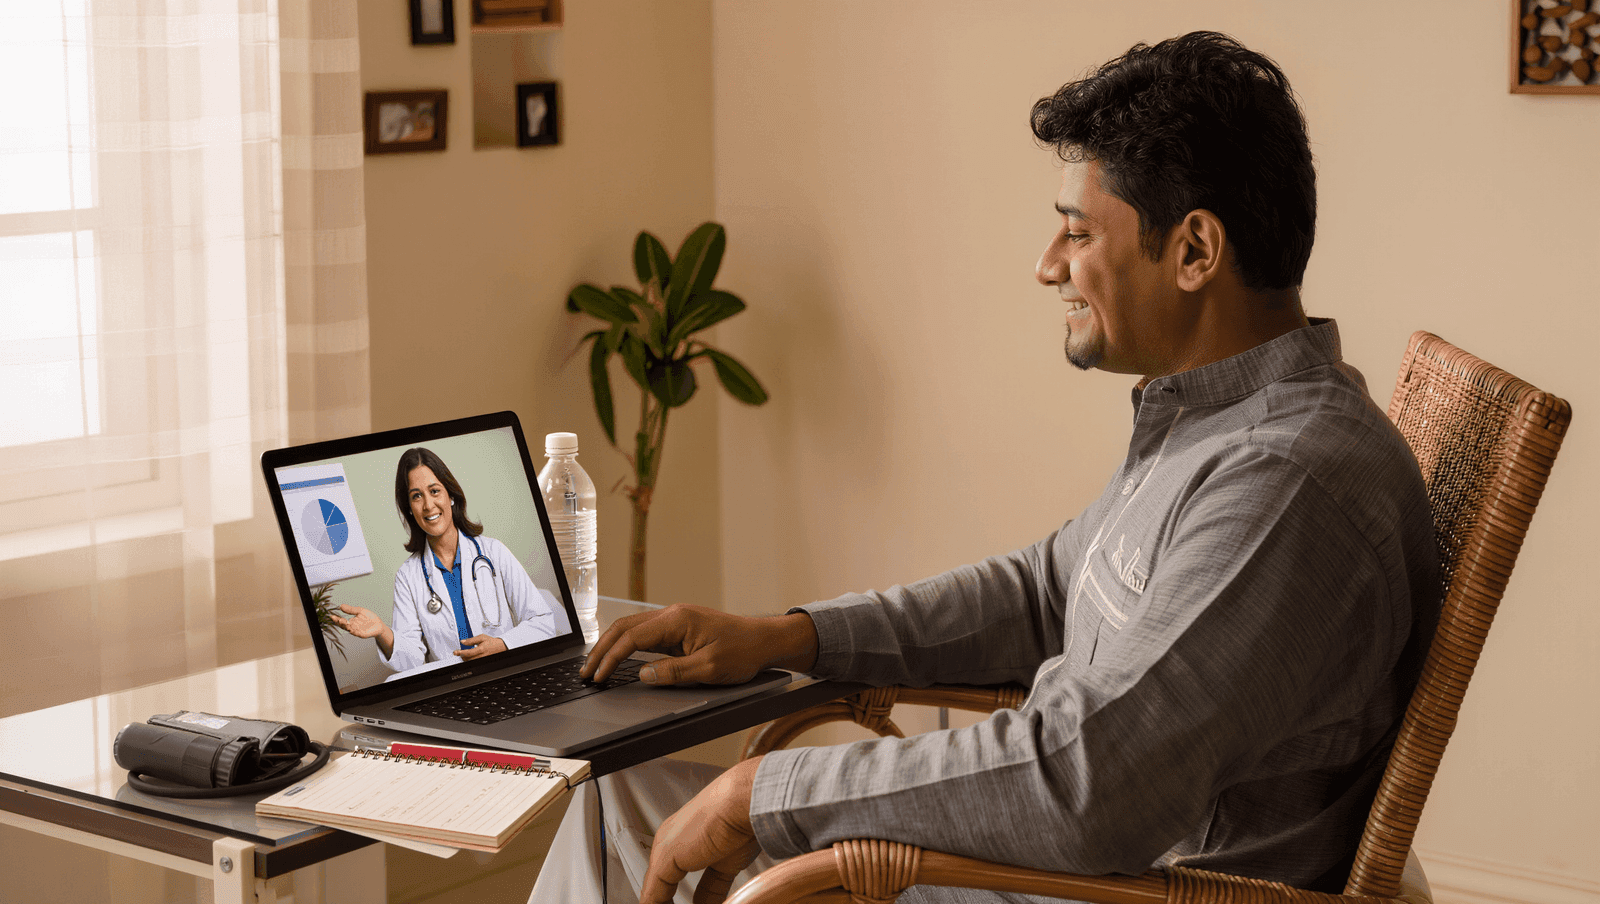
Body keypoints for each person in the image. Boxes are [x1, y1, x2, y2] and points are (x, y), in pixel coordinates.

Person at [533, 32, 1441, 904]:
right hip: (1040, 870)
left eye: (1078, 233)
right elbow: (1049, 591)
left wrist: (762, 792)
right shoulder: (1216, 422)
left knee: (674, 818)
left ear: (1195, 252)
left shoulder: (1284, 486)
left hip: (1086, 889)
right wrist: (791, 636)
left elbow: (1088, 783)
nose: (1047, 265)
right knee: (615, 792)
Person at [331, 447, 564, 672]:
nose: (428, 505)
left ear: (450, 495)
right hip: (453, 687)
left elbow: (543, 622)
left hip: (503, 673)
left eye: (434, 491)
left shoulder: (494, 552)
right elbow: (410, 664)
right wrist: (383, 631)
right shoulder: (408, 576)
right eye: (416, 496)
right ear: (409, 508)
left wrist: (502, 645)